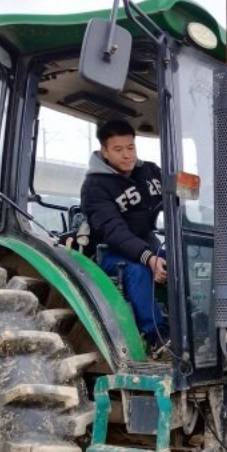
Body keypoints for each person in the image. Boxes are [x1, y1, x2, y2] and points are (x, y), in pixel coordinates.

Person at [81, 119, 169, 345]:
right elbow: (113, 230)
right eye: (118, 150)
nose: (127, 155)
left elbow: (177, 199)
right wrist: (149, 257)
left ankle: (192, 325)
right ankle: (157, 337)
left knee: (186, 261)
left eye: (130, 148)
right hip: (110, 252)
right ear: (105, 152)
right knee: (137, 270)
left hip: (148, 242)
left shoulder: (149, 171)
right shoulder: (95, 187)